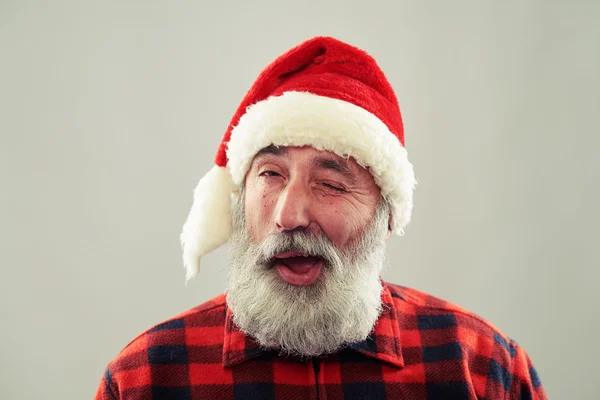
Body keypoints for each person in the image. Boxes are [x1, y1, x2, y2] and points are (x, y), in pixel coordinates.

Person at [95, 36, 547, 400]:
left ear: (385, 217)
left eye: (331, 184)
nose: (289, 215)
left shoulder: (484, 371)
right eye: (270, 175)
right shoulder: (145, 380)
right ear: (239, 197)